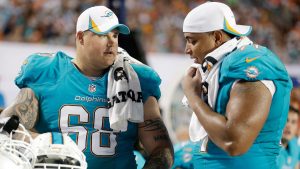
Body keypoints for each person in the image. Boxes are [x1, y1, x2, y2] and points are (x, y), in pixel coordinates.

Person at [0, 6, 173, 169]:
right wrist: (40, 142)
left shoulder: (135, 80)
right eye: (103, 35)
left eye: (114, 35)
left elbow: (161, 149)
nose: (111, 42)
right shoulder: (48, 72)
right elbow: (7, 128)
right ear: (81, 37)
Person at [181, 2, 292, 169]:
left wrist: (193, 96)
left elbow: (235, 142)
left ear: (217, 37)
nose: (187, 50)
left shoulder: (251, 62)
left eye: (193, 41)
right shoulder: (224, 63)